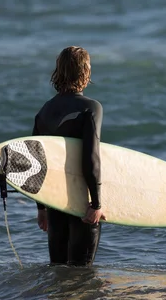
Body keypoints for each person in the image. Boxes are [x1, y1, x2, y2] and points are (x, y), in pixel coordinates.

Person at [31, 46, 106, 266]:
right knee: (81, 276)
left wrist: (41, 208)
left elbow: (37, 161)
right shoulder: (91, 108)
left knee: (59, 273)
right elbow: (91, 159)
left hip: (54, 202)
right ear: (85, 72)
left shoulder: (45, 110)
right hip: (82, 203)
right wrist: (96, 203)